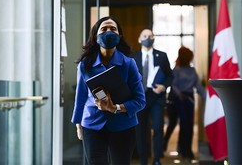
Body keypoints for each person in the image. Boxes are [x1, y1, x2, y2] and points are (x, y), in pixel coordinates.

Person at [71, 16, 146, 165]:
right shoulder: (85, 65)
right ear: (95, 36)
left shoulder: (129, 64)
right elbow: (80, 97)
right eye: (104, 29)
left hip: (123, 125)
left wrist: (115, 108)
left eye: (113, 29)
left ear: (119, 36)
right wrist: (78, 124)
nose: (109, 32)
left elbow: (140, 101)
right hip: (92, 124)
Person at [133, 29, 174, 165]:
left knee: (157, 127)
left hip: (156, 96)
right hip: (140, 98)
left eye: (150, 36)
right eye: (144, 36)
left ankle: (157, 159)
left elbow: (170, 76)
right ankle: (143, 160)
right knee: (141, 130)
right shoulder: (133, 57)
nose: (147, 38)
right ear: (140, 39)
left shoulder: (161, 56)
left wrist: (164, 86)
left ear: (154, 38)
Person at [171, 46, 206, 160]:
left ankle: (187, 149)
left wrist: (208, 98)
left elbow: (198, 87)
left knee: (189, 124)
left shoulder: (192, 71)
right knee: (184, 122)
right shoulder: (176, 70)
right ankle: (182, 148)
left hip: (190, 99)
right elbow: (173, 84)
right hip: (180, 98)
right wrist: (178, 93)